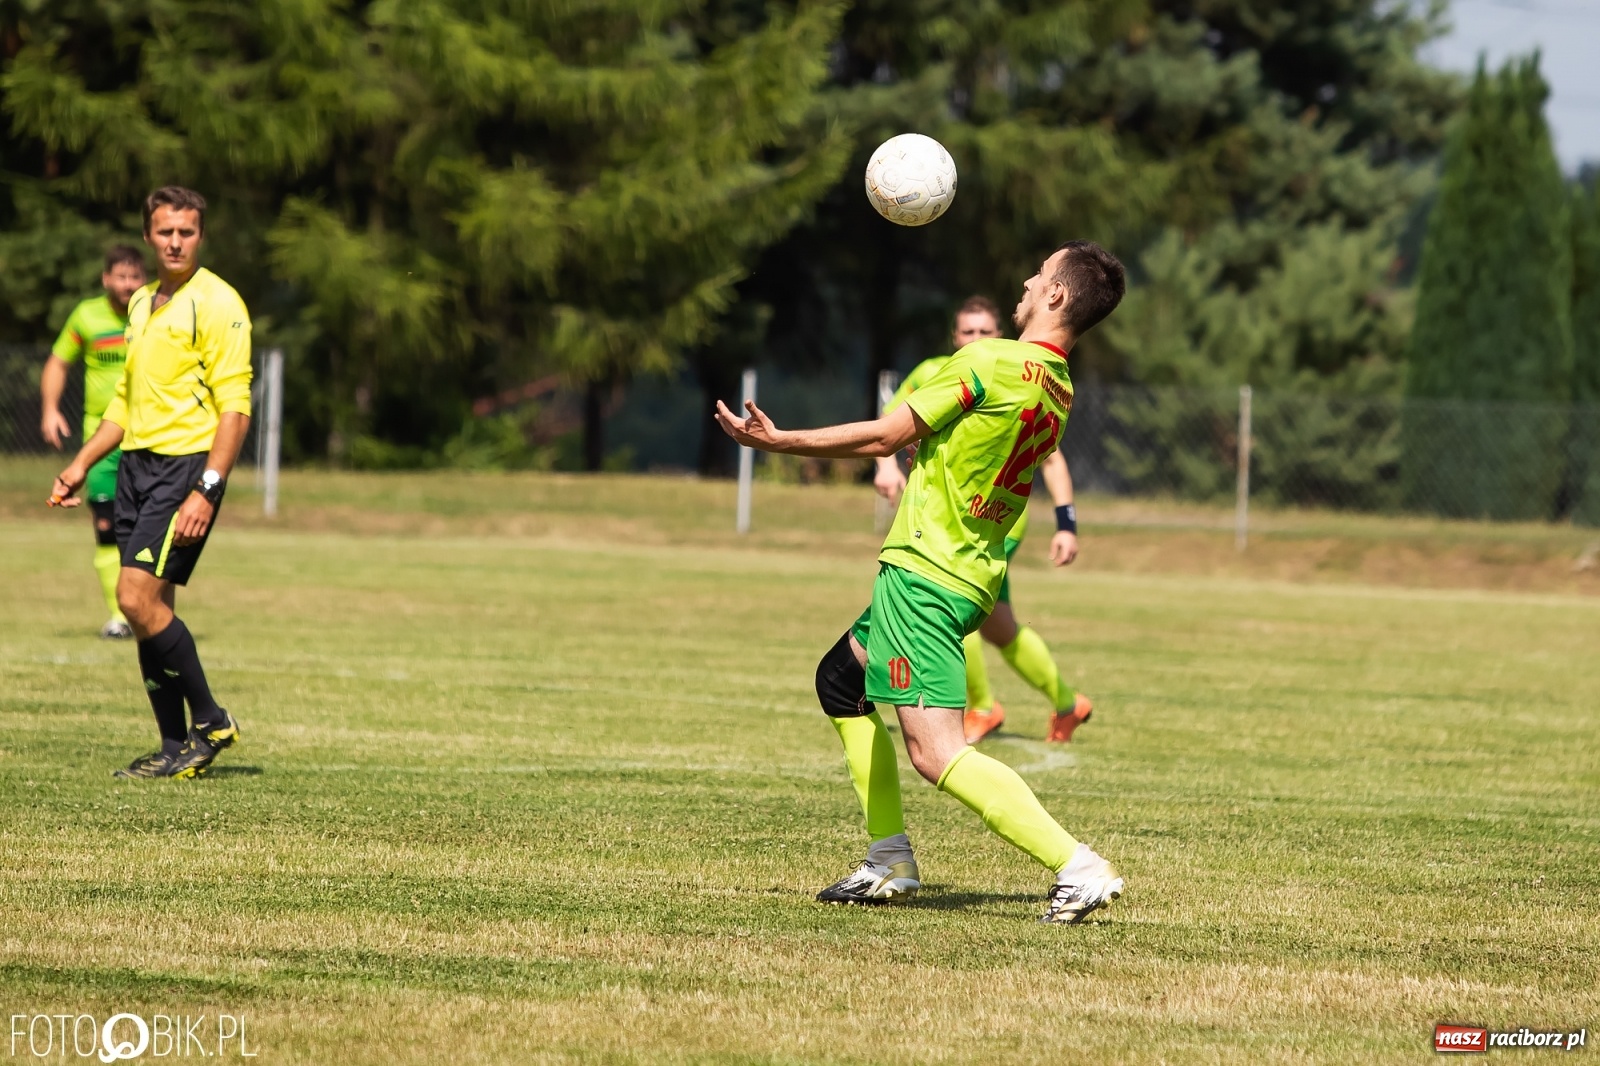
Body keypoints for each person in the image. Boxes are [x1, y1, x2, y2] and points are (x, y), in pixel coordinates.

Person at [715, 241, 1127, 923]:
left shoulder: (991, 360)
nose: (1025, 279)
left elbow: (884, 436)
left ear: (1056, 295)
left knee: (937, 754)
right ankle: (888, 862)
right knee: (839, 684)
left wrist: (780, 442)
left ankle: (1075, 866)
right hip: (969, 572)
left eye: (1040, 273)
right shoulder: (1057, 385)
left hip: (926, 573)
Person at [49, 186, 252, 779]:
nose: (175, 241)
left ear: (201, 235)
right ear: (148, 235)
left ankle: (210, 720)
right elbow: (124, 402)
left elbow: (235, 409)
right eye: (165, 231)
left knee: (132, 596)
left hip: (184, 468)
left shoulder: (219, 303)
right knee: (148, 609)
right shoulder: (141, 303)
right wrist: (82, 462)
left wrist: (207, 489)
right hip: (135, 466)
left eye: (186, 231)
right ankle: (172, 747)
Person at [873, 296, 1093, 747]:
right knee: (1000, 625)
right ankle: (1069, 703)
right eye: (968, 332)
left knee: (950, 598)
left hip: (993, 520)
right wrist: (886, 465)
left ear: (1000, 334)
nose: (976, 339)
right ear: (955, 337)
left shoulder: (1013, 372)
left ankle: (982, 707)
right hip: (949, 515)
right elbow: (891, 422)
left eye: (985, 331)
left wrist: (1066, 523)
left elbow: (1050, 460)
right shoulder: (931, 371)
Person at [40, 246, 149, 640]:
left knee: (145, 528)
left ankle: (147, 609)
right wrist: (50, 409)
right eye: (120, 276)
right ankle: (120, 616)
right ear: (106, 279)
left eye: (135, 276)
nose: (127, 284)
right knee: (106, 525)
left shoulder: (155, 312)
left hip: (149, 437)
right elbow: (57, 360)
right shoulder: (87, 316)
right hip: (100, 440)